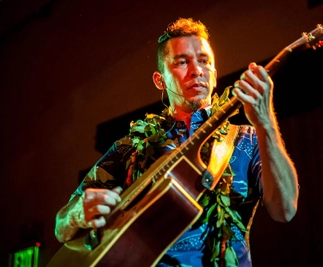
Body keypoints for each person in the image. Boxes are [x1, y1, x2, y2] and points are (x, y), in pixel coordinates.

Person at [54, 17, 299, 266]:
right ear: (160, 80)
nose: (196, 70)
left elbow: (285, 210)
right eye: (182, 62)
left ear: (214, 74)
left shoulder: (248, 139)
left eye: (204, 61)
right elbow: (61, 227)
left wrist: (266, 123)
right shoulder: (128, 147)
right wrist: (76, 215)